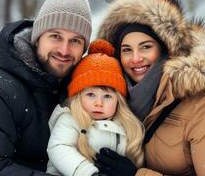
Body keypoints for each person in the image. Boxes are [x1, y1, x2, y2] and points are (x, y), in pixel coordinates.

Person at [94, 0, 205, 176]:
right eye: (127, 50)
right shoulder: (110, 99)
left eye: (145, 47)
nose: (135, 59)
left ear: (166, 49)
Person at [0, 0, 92, 176]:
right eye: (56, 36)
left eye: (75, 41)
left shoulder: (79, 93)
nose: (64, 50)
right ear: (37, 38)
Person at [45, 39, 144, 176]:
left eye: (107, 96)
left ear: (118, 100)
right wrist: (88, 173)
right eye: (91, 95)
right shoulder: (70, 119)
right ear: (78, 96)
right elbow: (58, 148)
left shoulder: (125, 125)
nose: (99, 103)